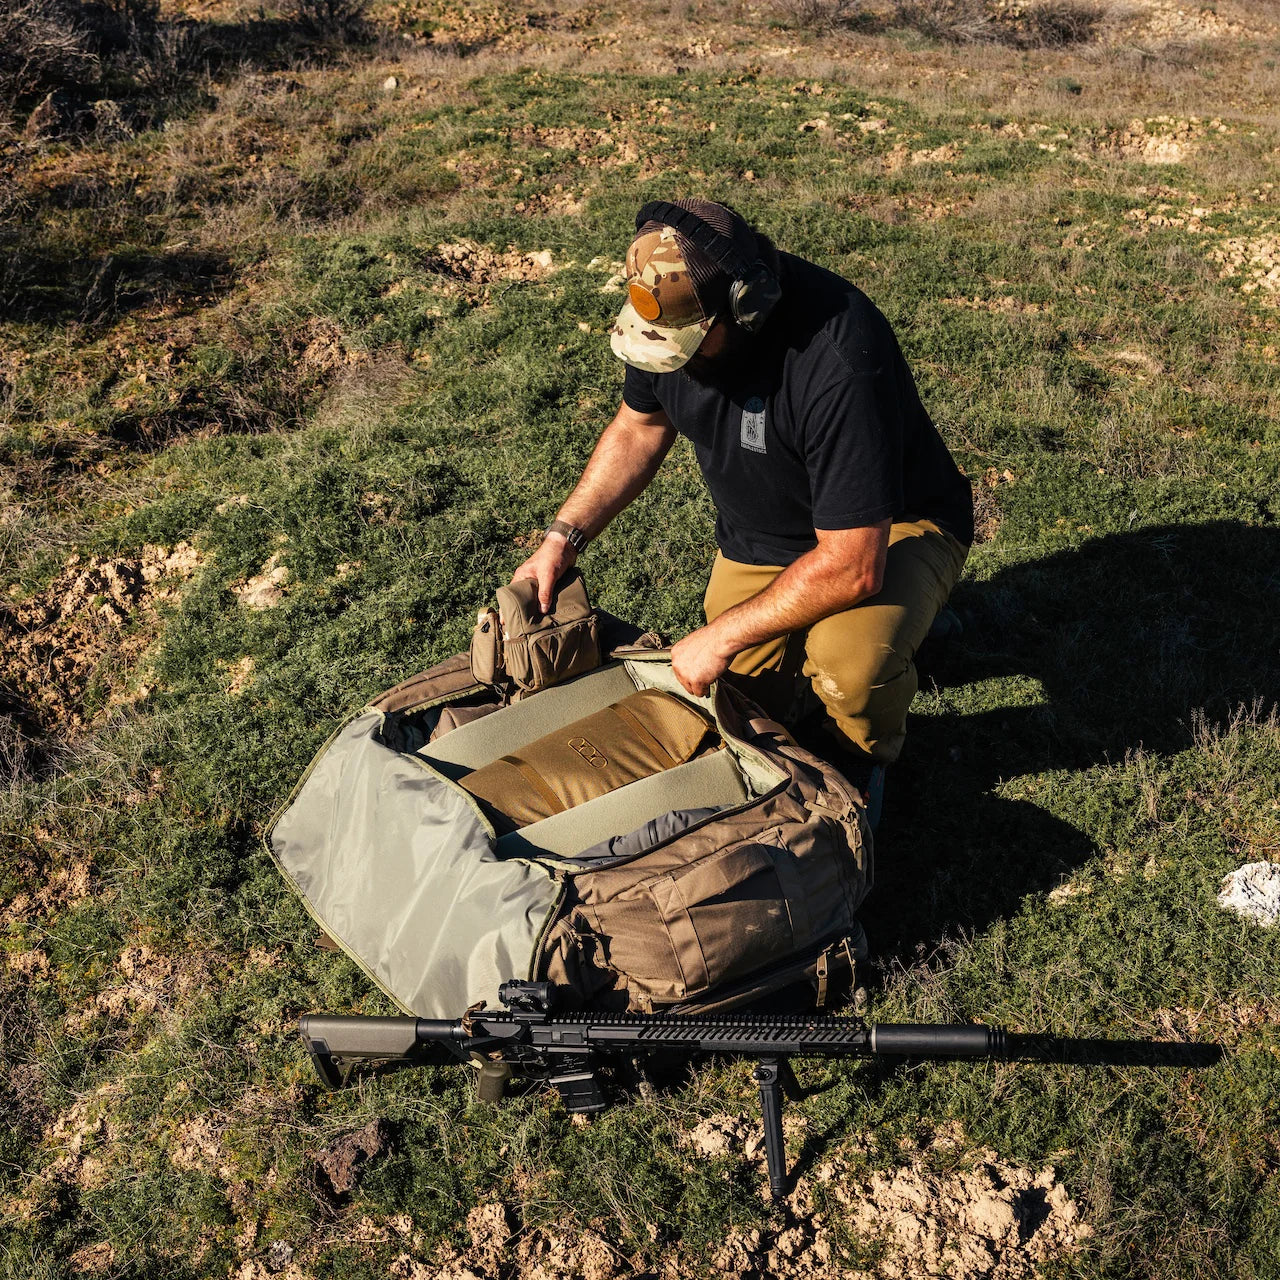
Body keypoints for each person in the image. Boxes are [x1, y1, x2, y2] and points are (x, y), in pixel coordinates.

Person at [511, 198, 973, 818]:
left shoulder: (837, 357)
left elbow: (852, 564)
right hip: (764, 537)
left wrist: (723, 632)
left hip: (890, 530)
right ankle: (905, 629)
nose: (677, 361)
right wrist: (561, 538)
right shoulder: (672, 318)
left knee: (848, 667)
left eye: (690, 345)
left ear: (747, 306)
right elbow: (637, 429)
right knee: (740, 702)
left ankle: (866, 763)